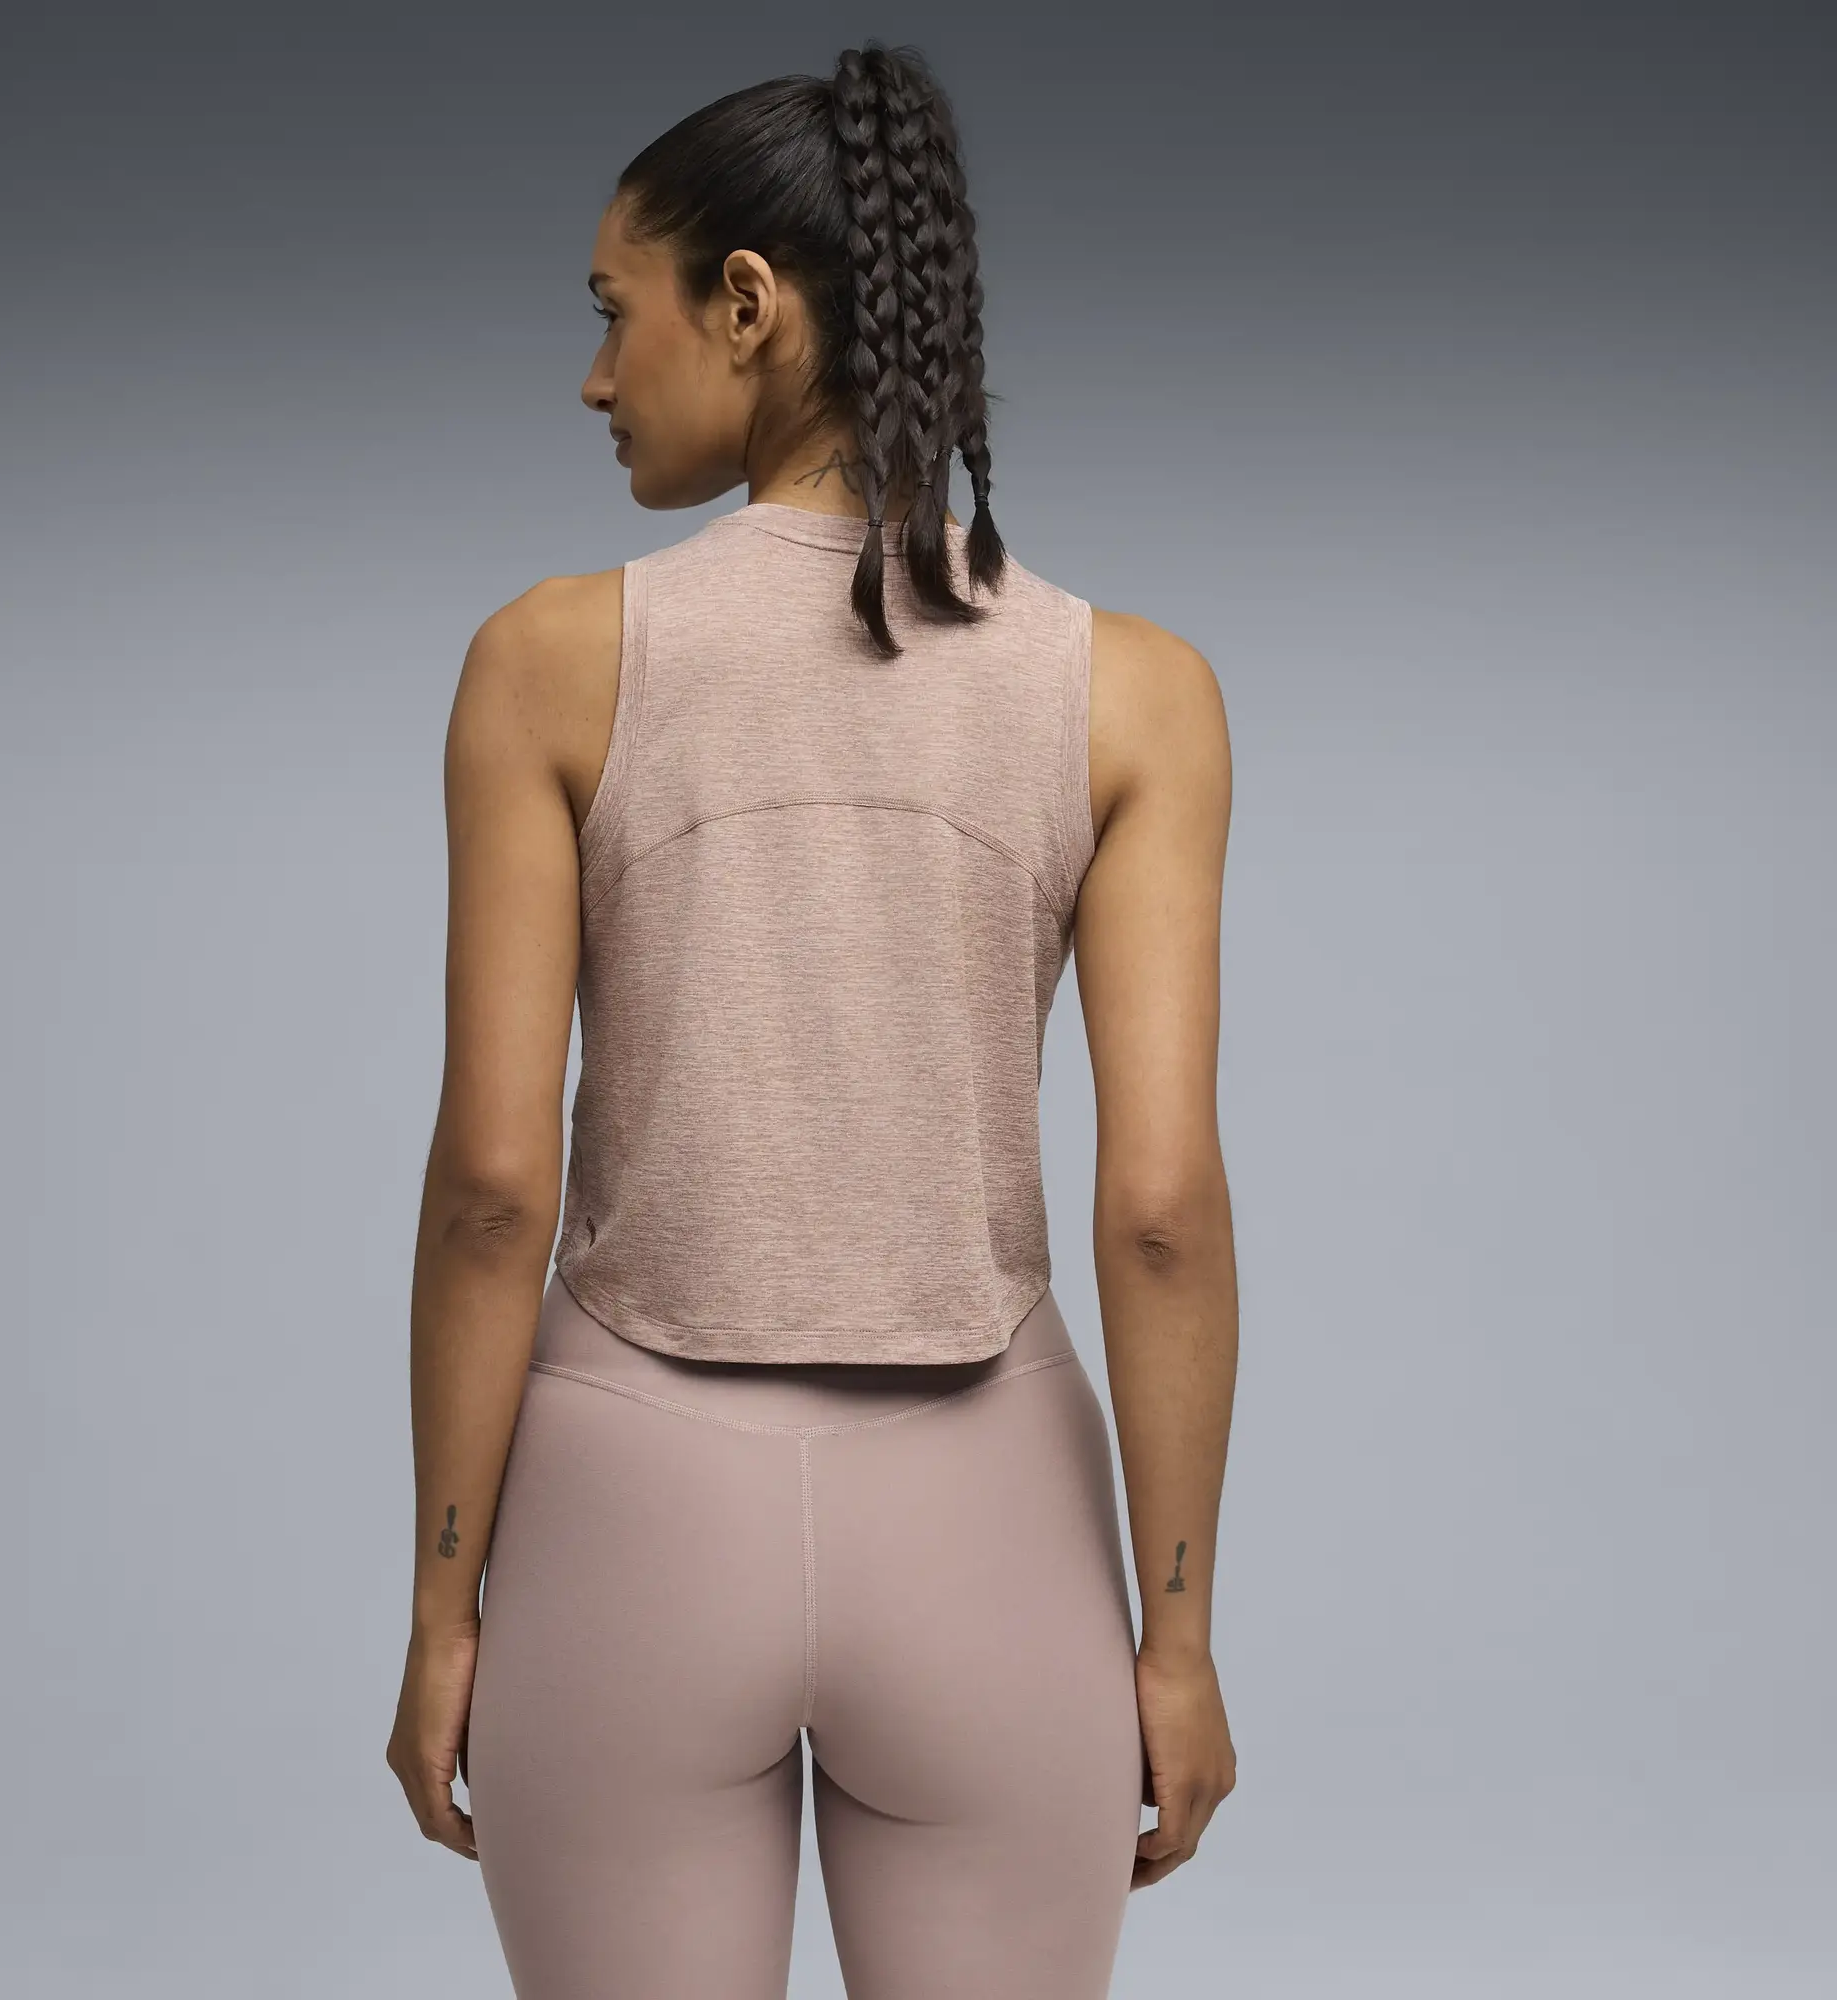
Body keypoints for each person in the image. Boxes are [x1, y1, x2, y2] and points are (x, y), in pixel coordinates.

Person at [385, 39, 1239, 2000]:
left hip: (629, 1514)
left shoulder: (547, 662)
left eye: (613, 310)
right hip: (989, 1519)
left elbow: (497, 1187)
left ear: (748, 304)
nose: (595, 376)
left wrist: (441, 1608)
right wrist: (1178, 1638)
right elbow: (1162, 1212)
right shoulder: (1134, 694)